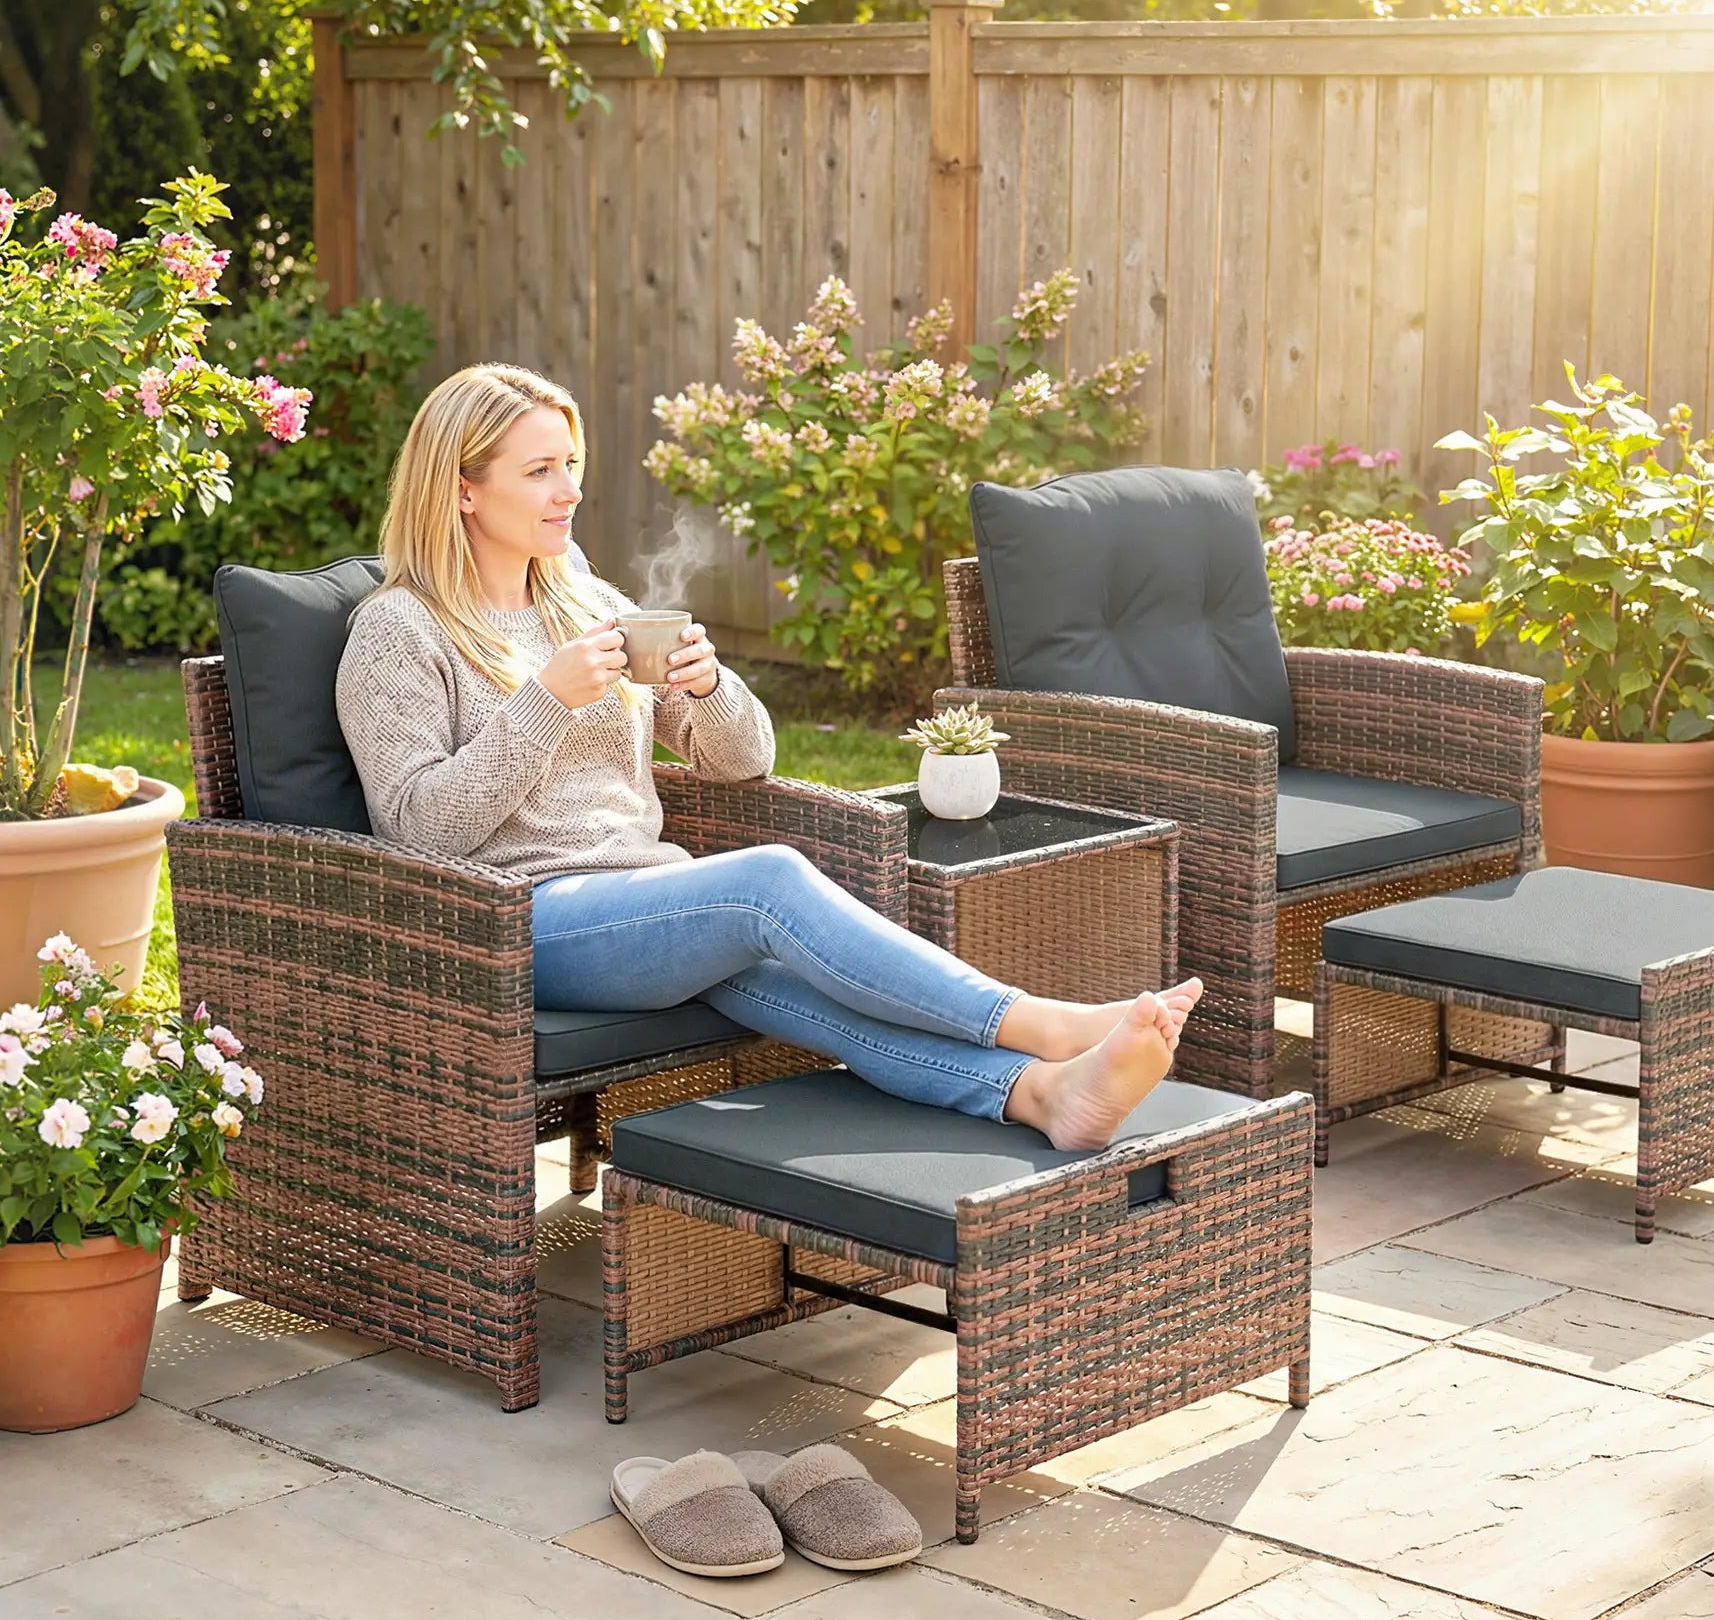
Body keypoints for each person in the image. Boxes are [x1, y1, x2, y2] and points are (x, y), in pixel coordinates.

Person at [334, 363, 1201, 1147]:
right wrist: (544, 704)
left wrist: (710, 687)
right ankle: (1035, 1024)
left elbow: (745, 763)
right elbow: (418, 832)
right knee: (766, 884)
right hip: (515, 921)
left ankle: (1042, 1096)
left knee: (801, 986)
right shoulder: (398, 632)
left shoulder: (585, 601)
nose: (568, 491)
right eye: (539, 471)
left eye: (571, 466)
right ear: (463, 491)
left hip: (644, 900)